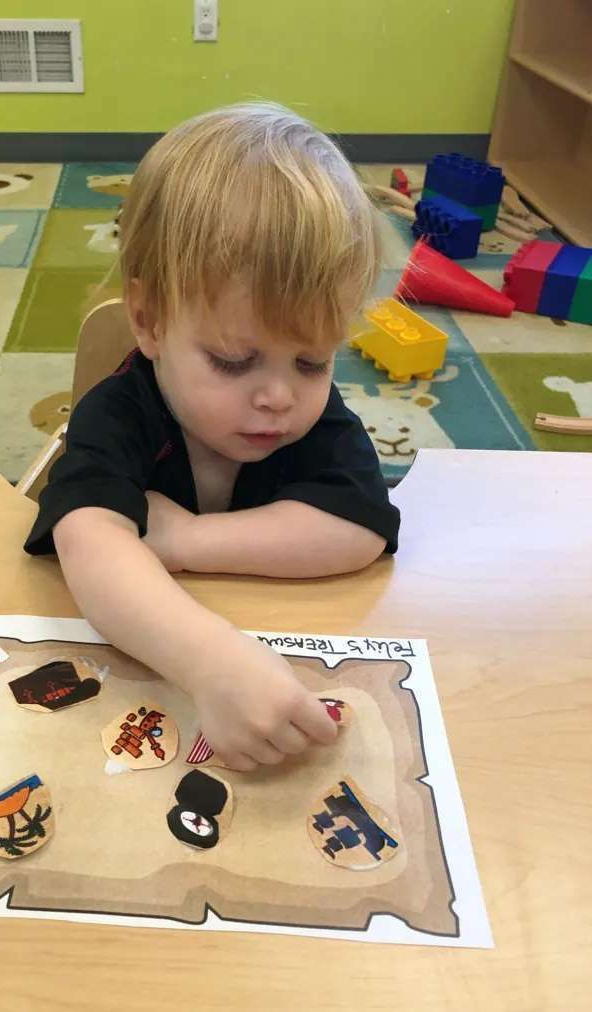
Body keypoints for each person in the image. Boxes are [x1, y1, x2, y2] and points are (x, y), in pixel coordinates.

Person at [24, 100, 400, 771]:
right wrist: (212, 661)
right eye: (233, 360)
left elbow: (359, 528)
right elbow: (85, 538)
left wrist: (185, 540)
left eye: (313, 360)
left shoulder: (311, 413)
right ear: (150, 322)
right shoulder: (118, 410)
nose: (279, 397)